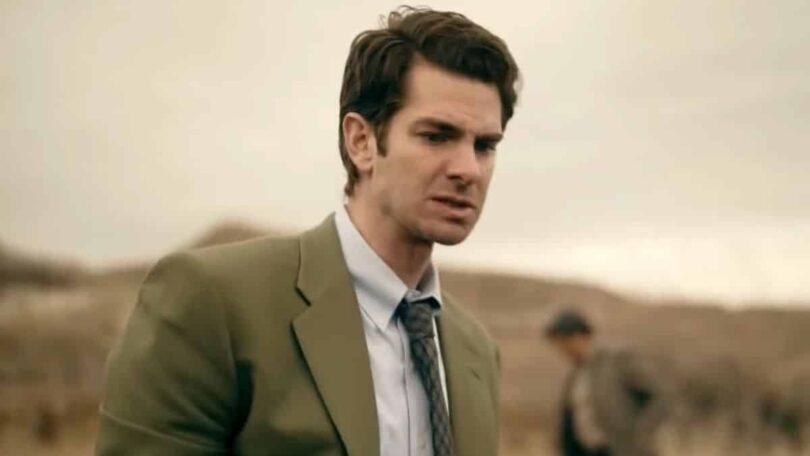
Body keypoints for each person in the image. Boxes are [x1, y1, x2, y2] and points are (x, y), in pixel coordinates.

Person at [96, 6, 520, 456]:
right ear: (361, 141)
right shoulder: (215, 303)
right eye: (436, 136)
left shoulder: (475, 350)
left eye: (484, 145)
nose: (468, 169)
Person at [545, 310, 666, 456]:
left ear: (582, 336)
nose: (563, 349)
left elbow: (658, 397)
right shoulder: (575, 378)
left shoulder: (617, 362)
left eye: (565, 342)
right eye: (558, 344)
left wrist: (640, 435)